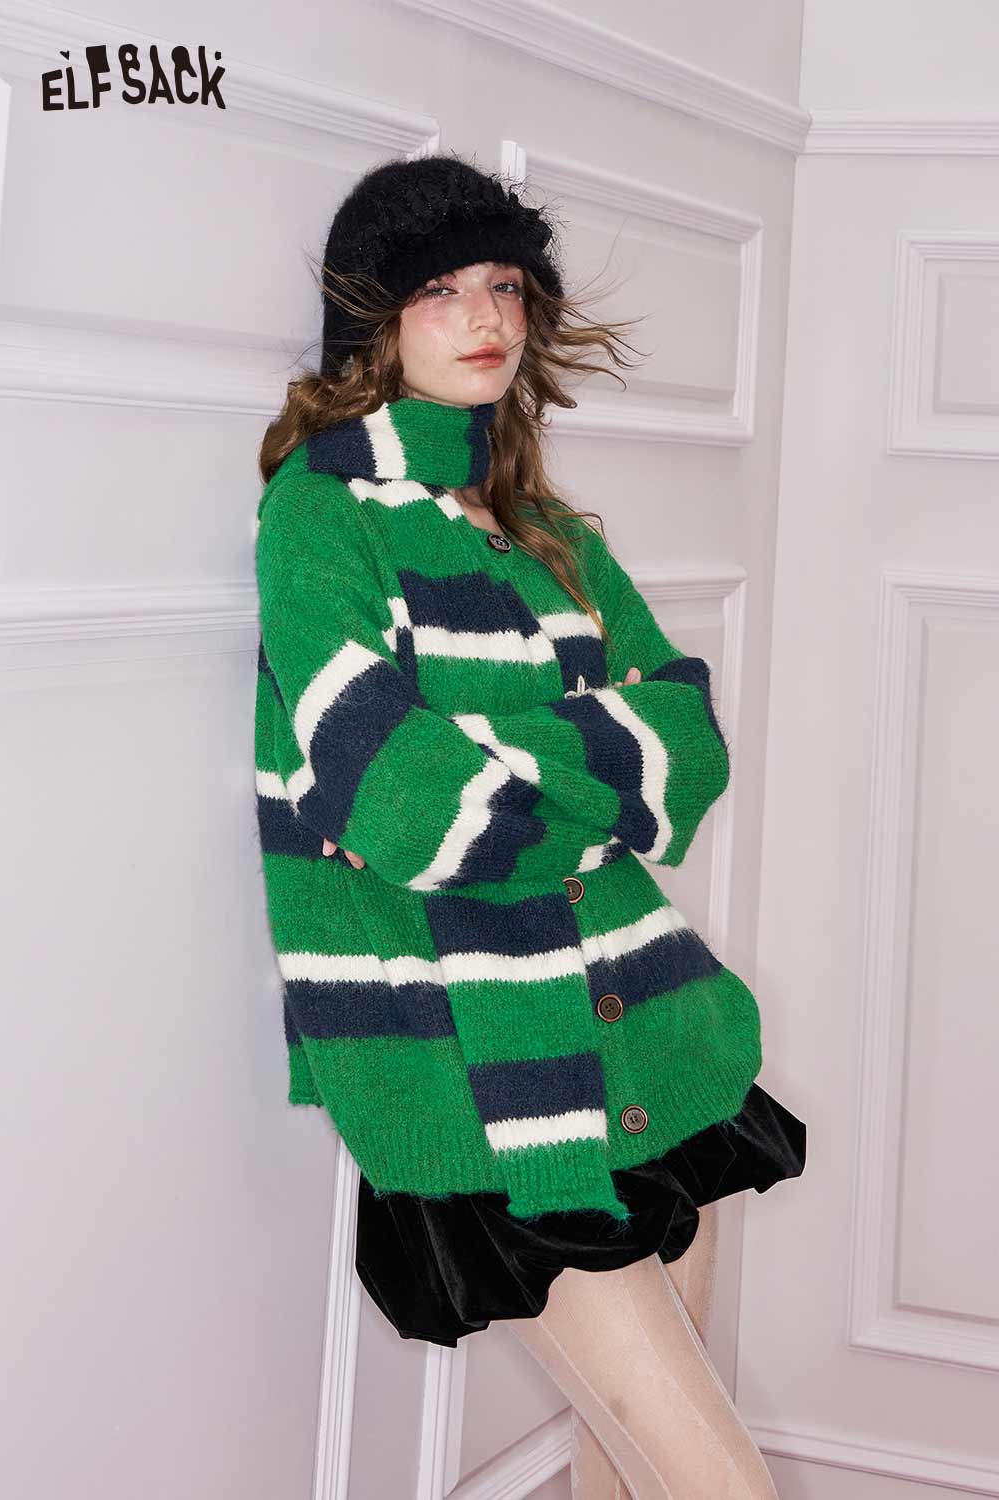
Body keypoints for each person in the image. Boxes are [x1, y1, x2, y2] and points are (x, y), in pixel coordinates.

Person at [254, 152, 805, 1499]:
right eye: (440, 292)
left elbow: (686, 744)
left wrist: (511, 766)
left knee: (631, 1466)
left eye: (503, 286)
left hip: (648, 1019)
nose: (484, 316)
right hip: (479, 1055)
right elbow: (401, 798)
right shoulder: (320, 517)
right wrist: (587, 776)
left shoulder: (541, 521)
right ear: (372, 323)